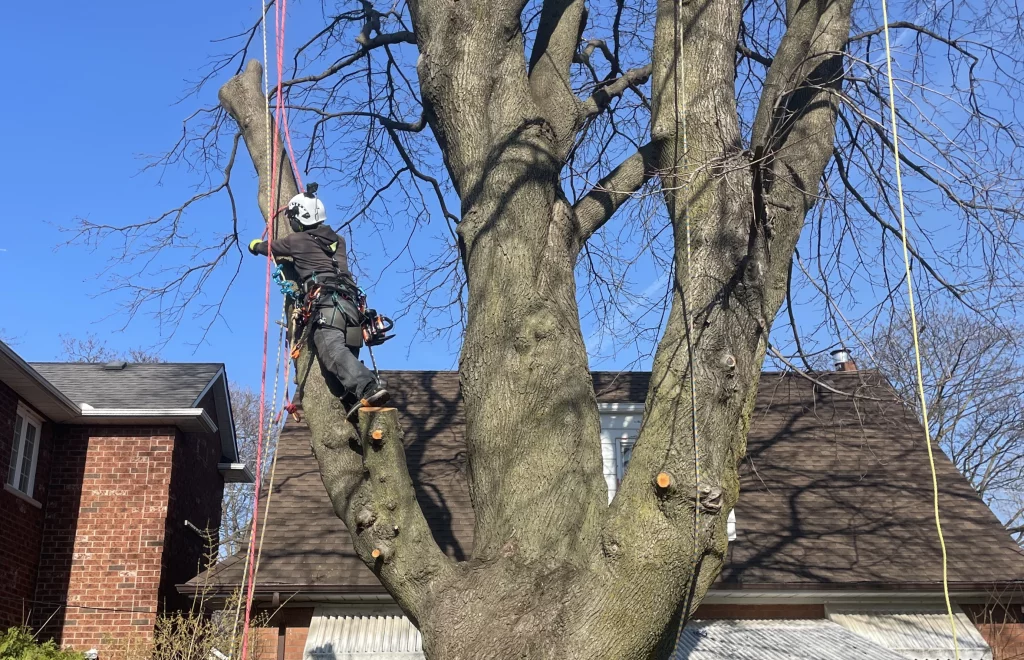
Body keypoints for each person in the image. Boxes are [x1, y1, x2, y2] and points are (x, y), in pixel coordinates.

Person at [248, 185, 389, 418]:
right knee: (345, 355)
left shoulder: (297, 240)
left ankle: (369, 386)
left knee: (332, 352)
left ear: (301, 218)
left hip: (326, 305)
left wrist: (254, 245)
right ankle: (353, 397)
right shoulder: (339, 240)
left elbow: (268, 248)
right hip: (352, 308)